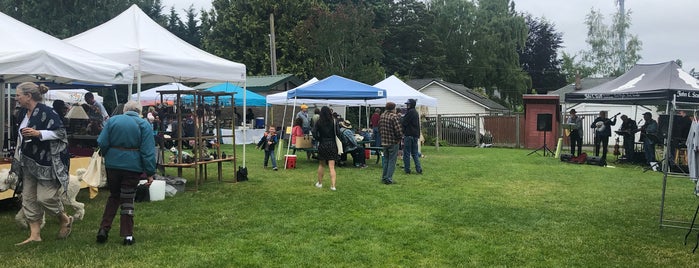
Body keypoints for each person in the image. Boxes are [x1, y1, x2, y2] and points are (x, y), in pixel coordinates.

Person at [12, 82, 73, 246]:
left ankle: (64, 218)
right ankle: (35, 235)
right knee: (29, 199)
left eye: (18, 95)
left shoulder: (48, 112)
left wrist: (39, 133)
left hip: (46, 162)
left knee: (45, 198)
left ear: (28, 96)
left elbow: (61, 133)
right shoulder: (22, 113)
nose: (16, 98)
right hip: (27, 161)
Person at [96, 100, 156, 245]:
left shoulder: (112, 121)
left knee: (114, 196)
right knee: (128, 198)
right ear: (139, 112)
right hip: (132, 166)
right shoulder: (144, 124)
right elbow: (148, 151)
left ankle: (104, 229)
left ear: (125, 110)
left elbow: (102, 142)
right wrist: (150, 172)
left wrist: (108, 154)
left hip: (113, 165)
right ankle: (127, 235)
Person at [311, 106, 340, 191]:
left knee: (321, 165)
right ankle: (333, 186)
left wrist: (318, 139)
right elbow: (338, 133)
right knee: (332, 167)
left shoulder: (319, 122)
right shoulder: (334, 121)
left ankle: (320, 183)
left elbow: (314, 132)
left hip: (323, 144)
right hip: (332, 144)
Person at [379, 102, 403, 185]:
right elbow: (398, 130)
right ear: (393, 108)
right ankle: (389, 178)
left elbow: (379, 128)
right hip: (393, 141)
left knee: (386, 160)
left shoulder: (382, 116)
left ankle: (384, 177)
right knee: (392, 161)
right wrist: (400, 138)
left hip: (384, 141)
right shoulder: (394, 116)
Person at [401, 99, 423, 174]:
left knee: (406, 153)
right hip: (415, 135)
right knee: (415, 153)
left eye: (408, 104)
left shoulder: (410, 112)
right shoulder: (416, 112)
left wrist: (402, 131)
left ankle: (407, 169)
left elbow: (404, 122)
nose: (407, 106)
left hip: (409, 135)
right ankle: (418, 168)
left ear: (411, 105)